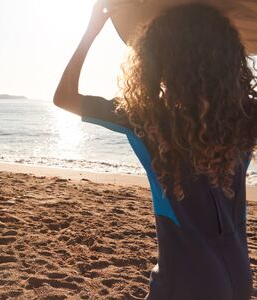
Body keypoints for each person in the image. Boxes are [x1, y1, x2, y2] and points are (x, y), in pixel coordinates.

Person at [54, 1, 256, 299]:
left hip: (182, 282)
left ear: (158, 59)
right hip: (239, 277)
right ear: (229, 57)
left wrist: (91, 32)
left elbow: (65, 98)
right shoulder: (245, 117)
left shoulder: (146, 120)